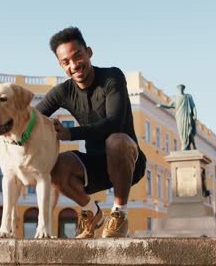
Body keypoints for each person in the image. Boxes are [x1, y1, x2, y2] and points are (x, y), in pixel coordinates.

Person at [36, 27, 147, 238]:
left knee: (116, 140)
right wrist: (3, 119)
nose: (74, 65)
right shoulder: (63, 91)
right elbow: (32, 118)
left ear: (89, 52)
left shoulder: (112, 76)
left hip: (128, 160)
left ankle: (119, 213)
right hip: (95, 166)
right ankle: (92, 212)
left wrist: (70, 133)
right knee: (54, 166)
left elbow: (114, 123)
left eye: (78, 56)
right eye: (66, 62)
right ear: (61, 65)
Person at [157, 84, 197, 151]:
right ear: (178, 89)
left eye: (182, 88)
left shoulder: (188, 97)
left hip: (186, 116)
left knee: (188, 131)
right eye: (179, 88)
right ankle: (185, 145)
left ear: (183, 89)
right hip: (179, 117)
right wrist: (161, 105)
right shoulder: (176, 98)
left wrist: (195, 114)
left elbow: (193, 106)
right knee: (181, 132)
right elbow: (169, 106)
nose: (180, 89)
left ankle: (189, 146)